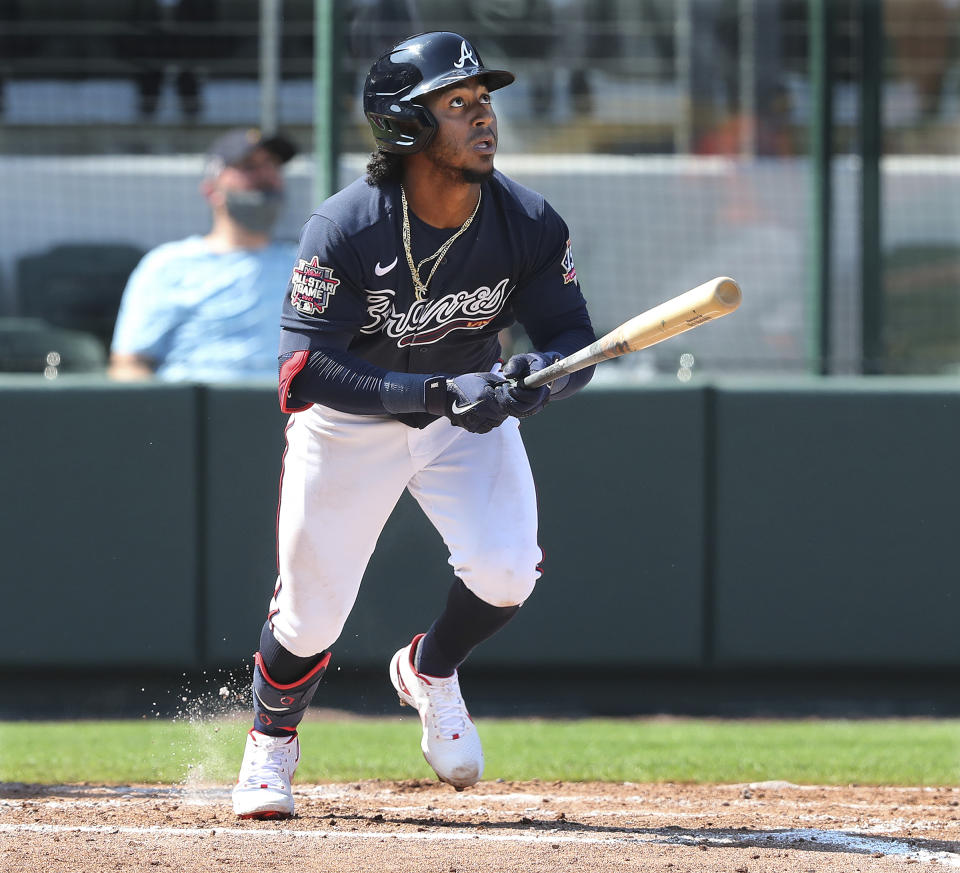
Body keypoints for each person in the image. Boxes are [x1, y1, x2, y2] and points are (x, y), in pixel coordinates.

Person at [231, 31, 597, 820]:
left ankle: (430, 668)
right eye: (458, 103)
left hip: (467, 410)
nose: (483, 117)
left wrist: (541, 381)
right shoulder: (346, 226)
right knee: (310, 613)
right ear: (406, 125)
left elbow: (575, 342)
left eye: (485, 101)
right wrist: (435, 393)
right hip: (352, 419)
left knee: (506, 569)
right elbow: (306, 373)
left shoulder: (529, 220)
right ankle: (271, 741)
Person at [109, 127, 297, 382]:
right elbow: (129, 365)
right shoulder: (168, 265)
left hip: (292, 413)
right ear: (211, 190)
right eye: (249, 166)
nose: (265, 175)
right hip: (195, 411)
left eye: (272, 166)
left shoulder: (304, 263)